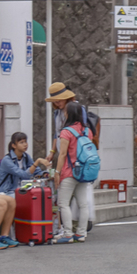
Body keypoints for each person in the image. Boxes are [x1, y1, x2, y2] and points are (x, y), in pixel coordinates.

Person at [54, 101, 92, 243]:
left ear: (68, 114)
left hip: (69, 172)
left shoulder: (66, 132)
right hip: (84, 172)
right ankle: (81, 233)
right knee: (83, 204)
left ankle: (68, 234)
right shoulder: (87, 131)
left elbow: (62, 154)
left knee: (63, 203)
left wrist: (57, 172)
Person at [0, 132, 48, 196]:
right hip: (8, 191)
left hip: (24, 189)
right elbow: (24, 175)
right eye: (21, 142)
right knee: (27, 200)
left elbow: (37, 171)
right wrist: (37, 162)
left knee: (39, 196)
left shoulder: (26, 157)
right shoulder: (7, 160)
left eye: (25, 142)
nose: (25, 144)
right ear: (14, 145)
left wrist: (45, 174)